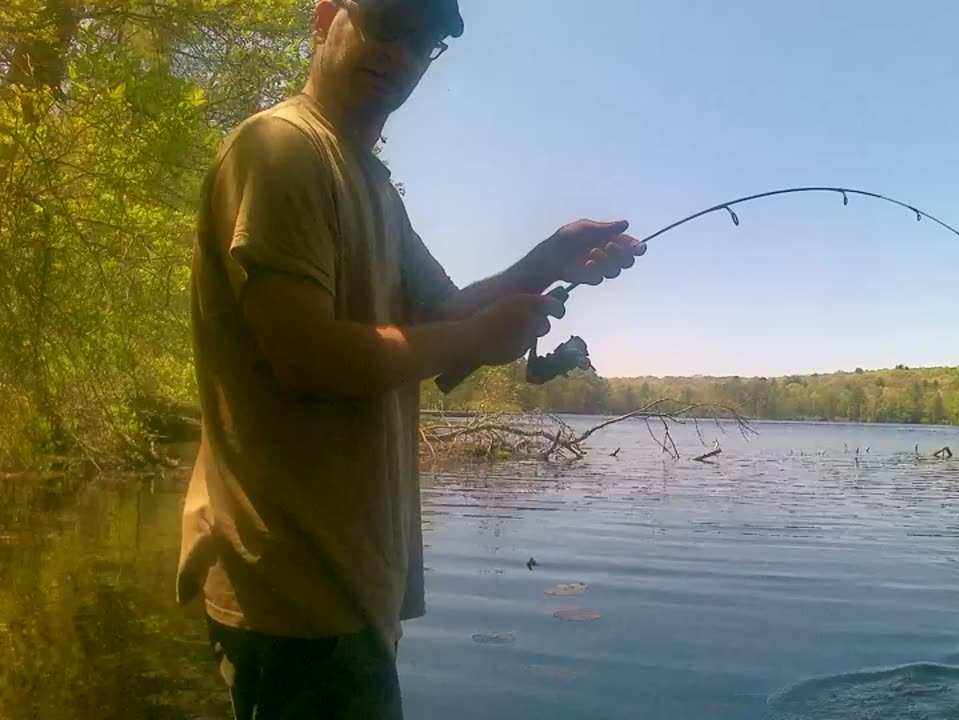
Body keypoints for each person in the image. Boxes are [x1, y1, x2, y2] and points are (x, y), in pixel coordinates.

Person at [176, 0, 645, 716]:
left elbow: (443, 314)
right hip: (289, 592)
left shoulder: (373, 186)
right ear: (327, 16)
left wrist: (549, 261)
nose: (400, 54)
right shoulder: (280, 149)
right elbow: (307, 356)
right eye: (387, 25)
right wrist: (478, 340)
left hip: (351, 590)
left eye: (423, 42)